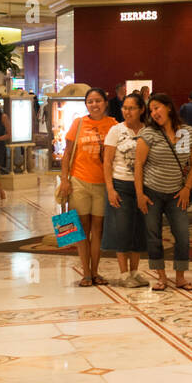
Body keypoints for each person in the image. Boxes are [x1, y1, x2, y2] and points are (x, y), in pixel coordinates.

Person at [135, 92, 192, 292]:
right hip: (152, 192)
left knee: (182, 235)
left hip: (177, 194)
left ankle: (180, 277)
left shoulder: (185, 132)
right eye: (151, 110)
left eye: (157, 108)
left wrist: (187, 188)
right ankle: (161, 277)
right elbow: (138, 164)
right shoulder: (149, 134)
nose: (154, 113)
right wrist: (140, 194)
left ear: (169, 107)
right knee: (153, 235)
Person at [59, 88, 116, 286]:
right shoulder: (79, 123)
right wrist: (64, 180)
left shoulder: (113, 125)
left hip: (102, 184)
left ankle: (95, 271)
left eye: (98, 100)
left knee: (98, 230)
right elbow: (67, 153)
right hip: (79, 182)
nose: (94, 105)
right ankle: (86, 273)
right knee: (81, 229)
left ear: (105, 103)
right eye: (90, 101)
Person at [102, 93, 149, 288]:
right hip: (120, 183)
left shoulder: (147, 131)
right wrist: (110, 189)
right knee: (121, 229)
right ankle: (123, 274)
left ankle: (135, 272)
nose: (127, 112)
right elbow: (107, 161)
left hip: (142, 186)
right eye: (124, 107)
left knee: (138, 229)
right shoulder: (116, 130)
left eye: (131, 108)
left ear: (141, 110)